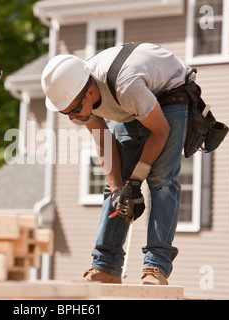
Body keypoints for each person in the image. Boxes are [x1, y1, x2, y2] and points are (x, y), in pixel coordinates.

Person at [41, 43, 192, 285]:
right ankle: (106, 267)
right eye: (66, 113)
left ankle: (156, 268)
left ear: (90, 93)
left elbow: (161, 130)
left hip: (169, 94)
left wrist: (136, 180)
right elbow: (103, 142)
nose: (74, 118)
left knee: (162, 180)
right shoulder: (78, 90)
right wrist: (119, 189)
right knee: (117, 187)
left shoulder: (125, 85)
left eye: (76, 110)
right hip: (131, 104)